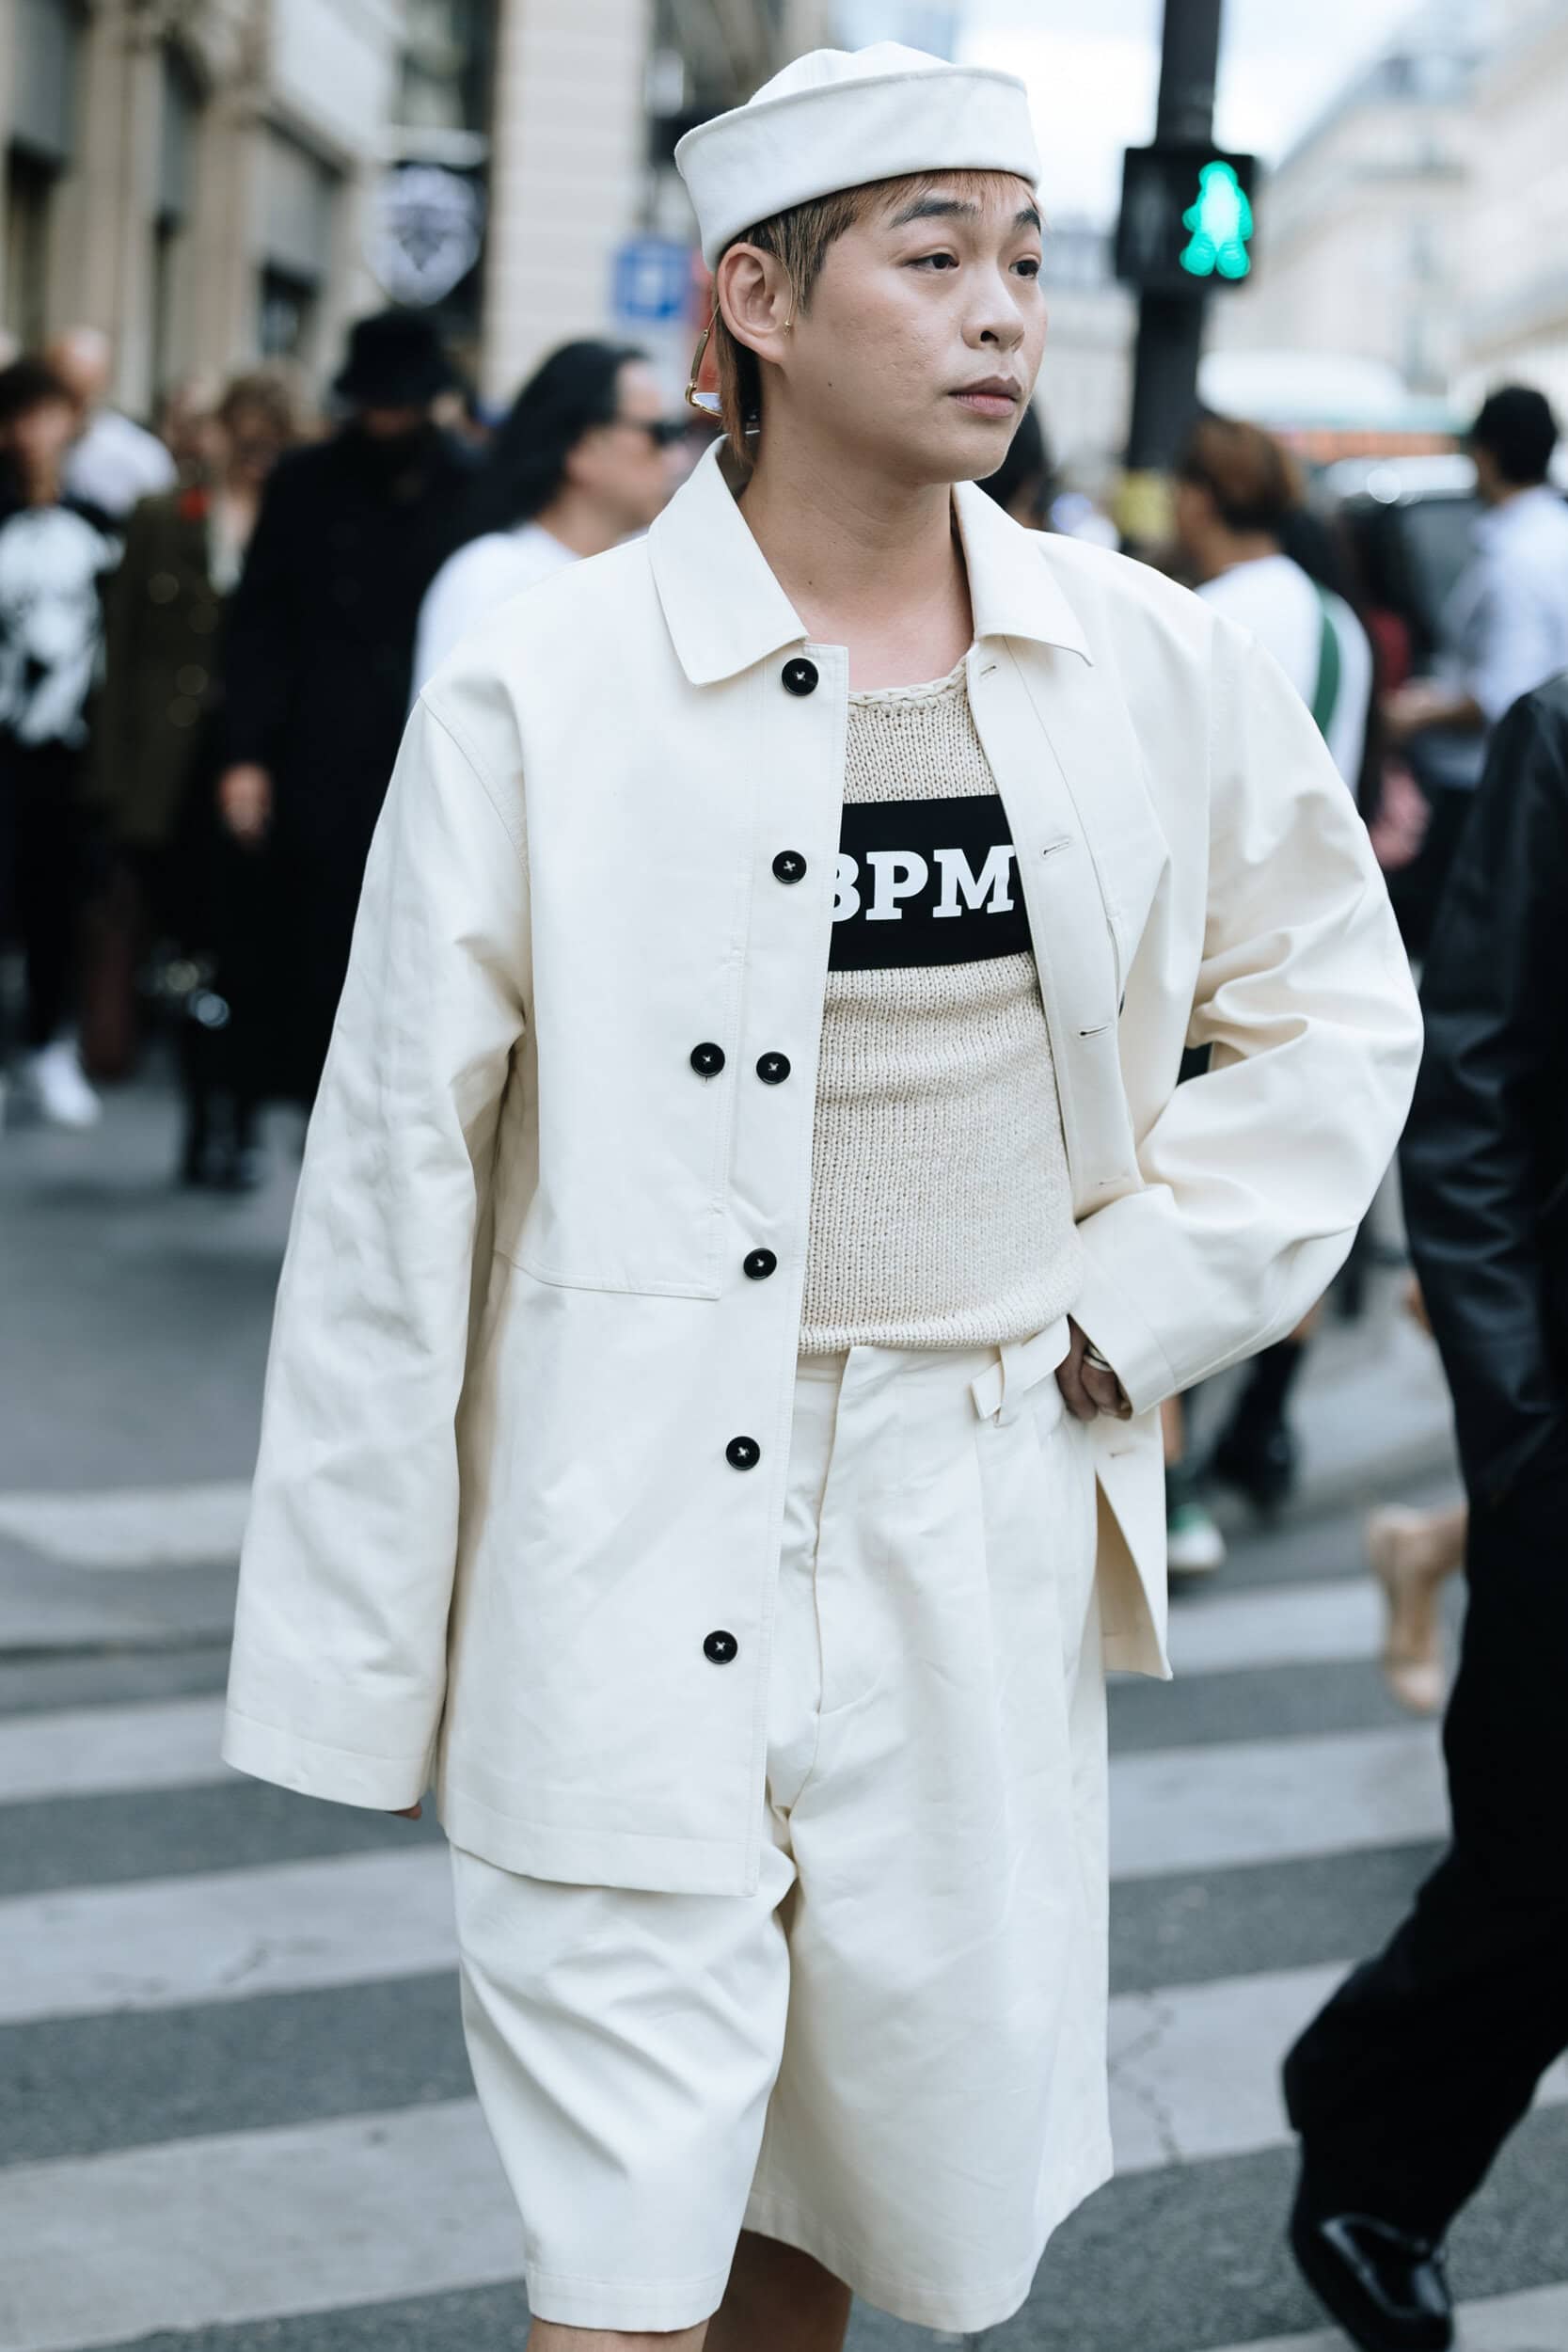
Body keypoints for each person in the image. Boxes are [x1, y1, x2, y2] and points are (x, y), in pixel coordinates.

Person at [219, 43, 1420, 2348]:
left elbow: (1333, 1014)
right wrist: (367, 1655)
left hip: (968, 1506)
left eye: (1025, 262)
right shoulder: (547, 687)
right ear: (752, 302)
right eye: (931, 255)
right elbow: (391, 1173)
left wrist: (1135, 1303)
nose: (1000, 312)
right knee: (618, 2253)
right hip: (616, 1512)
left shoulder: (1143, 661)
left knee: (842, 2211)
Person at [1284, 672, 1568, 2352]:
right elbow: (1470, 1099)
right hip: (1563, 1451)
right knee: (1537, 1873)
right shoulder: (1560, 735)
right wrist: (1516, 1437)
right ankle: (1373, 2136)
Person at [215, 310, 472, 1104]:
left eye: (400, 404)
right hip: (315, 747)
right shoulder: (304, 482)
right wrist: (244, 755)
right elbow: (258, 627)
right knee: (308, 936)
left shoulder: (471, 485)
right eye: (376, 404)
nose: (386, 420)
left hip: (425, 747)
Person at [93, 370, 300, 1184]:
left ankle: (238, 1116)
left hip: (264, 772)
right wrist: (113, 785)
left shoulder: (297, 517)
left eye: (268, 442)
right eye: (242, 438)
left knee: (252, 949)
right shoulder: (165, 517)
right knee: (185, 949)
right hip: (172, 772)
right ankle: (200, 1111)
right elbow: (123, 650)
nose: (253, 456)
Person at [1384, 385, 1568, 953]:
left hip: (1487, 786)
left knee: (1453, 950)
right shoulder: (1552, 535)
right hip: (1532, 779)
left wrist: (1415, 714)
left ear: (1485, 456)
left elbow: (1502, 696)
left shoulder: (1516, 557)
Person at [412, 339, 684, 692]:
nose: (677, 458)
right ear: (581, 447)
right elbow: (441, 725)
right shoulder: (489, 578)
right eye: (659, 434)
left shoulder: (659, 576)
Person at [0, 358, 118, 1130]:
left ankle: (49, 1045)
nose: (37, 434)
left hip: (71, 747)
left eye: (52, 415)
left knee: (58, 900)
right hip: (7, 738)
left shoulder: (96, 521)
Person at [45, 326, 177, 522]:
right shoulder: (26, 447)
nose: (70, 406)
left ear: (104, 382)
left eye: (80, 393)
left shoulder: (139, 454)